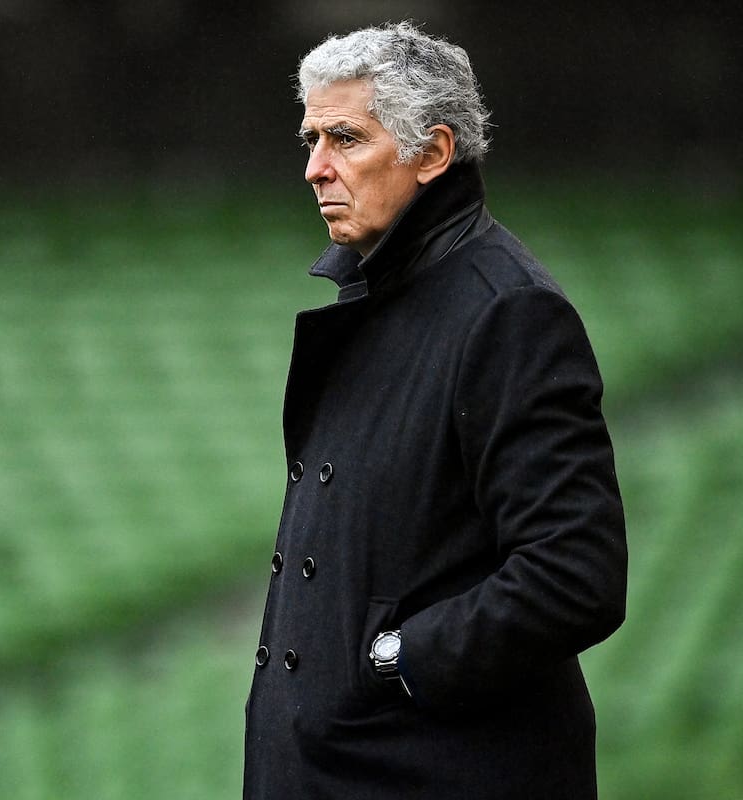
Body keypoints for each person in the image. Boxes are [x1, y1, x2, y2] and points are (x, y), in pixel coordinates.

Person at [243, 22, 628, 800]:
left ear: (434, 152)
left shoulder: (507, 312)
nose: (316, 169)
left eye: (346, 139)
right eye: (312, 138)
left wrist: (394, 658)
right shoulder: (384, 292)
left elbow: (574, 574)